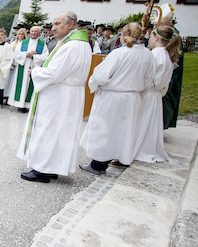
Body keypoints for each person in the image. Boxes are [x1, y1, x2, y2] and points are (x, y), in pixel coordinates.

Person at [18, 11, 92, 183]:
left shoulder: (71, 46)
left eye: (58, 23)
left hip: (59, 95)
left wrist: (35, 72)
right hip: (67, 94)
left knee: (49, 130)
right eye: (53, 24)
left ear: (71, 24)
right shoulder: (79, 43)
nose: (53, 28)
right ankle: (52, 167)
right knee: (59, 132)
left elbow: (53, 73)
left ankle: (42, 169)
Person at [79, 22, 155, 175]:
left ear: (123, 35)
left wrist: (97, 84)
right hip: (133, 98)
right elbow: (149, 79)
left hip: (113, 97)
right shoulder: (148, 54)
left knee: (106, 130)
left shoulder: (120, 53)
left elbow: (100, 75)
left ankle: (98, 164)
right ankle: (118, 158)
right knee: (123, 131)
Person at [134, 25, 181, 163]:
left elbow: (146, 76)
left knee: (141, 124)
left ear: (157, 37)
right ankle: (147, 148)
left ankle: (138, 150)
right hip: (156, 95)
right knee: (149, 126)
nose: (148, 39)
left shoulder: (155, 55)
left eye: (150, 36)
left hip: (147, 94)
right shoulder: (166, 55)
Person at [8, 26, 49, 112]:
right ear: (29, 33)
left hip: (34, 67)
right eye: (32, 31)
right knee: (21, 85)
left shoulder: (42, 44)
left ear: (39, 33)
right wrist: (27, 54)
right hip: (23, 67)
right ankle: (19, 104)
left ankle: (28, 106)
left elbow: (45, 57)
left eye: (35, 32)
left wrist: (33, 56)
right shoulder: (23, 42)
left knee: (30, 86)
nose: (33, 33)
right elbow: (16, 53)